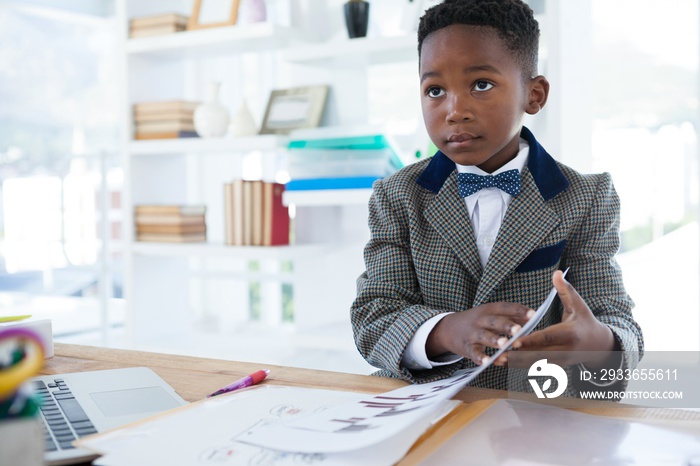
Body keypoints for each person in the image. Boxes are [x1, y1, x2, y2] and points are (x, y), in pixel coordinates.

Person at [350, 0, 644, 395]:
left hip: (538, 411)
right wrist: (445, 330)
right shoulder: (397, 196)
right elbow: (374, 315)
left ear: (534, 95)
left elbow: (618, 321)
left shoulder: (586, 197)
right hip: (424, 407)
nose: (455, 110)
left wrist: (601, 343)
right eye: (435, 90)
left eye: (481, 85)